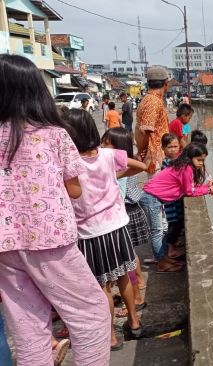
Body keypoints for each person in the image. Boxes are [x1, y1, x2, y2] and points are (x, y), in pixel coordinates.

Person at [0, 54, 110, 365]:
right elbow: (75, 189)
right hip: (49, 238)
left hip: (5, 245)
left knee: (28, 327)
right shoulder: (53, 135)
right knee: (91, 314)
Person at [64, 109, 147, 351]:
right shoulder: (107, 156)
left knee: (102, 287)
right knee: (124, 277)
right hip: (117, 226)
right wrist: (115, 174)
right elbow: (141, 165)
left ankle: (110, 334)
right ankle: (134, 322)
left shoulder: (70, 163)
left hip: (90, 233)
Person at [100, 128, 149, 317]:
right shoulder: (119, 166)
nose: (102, 147)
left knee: (125, 261)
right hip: (124, 213)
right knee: (128, 257)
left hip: (121, 216)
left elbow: (119, 195)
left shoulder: (118, 168)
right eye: (102, 143)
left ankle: (136, 294)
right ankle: (137, 285)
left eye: (106, 144)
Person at [135, 66, 172, 270]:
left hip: (155, 159)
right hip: (154, 161)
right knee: (158, 216)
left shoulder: (149, 100)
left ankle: (164, 255)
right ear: (165, 84)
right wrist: (145, 155)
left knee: (162, 215)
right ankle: (162, 259)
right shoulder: (152, 101)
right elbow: (143, 131)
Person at [143, 143, 213, 206]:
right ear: (190, 157)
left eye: (203, 160)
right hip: (152, 198)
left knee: (162, 225)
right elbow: (189, 191)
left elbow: (189, 186)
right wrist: (209, 189)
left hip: (153, 197)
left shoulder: (183, 165)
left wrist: (207, 187)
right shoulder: (186, 168)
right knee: (158, 225)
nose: (201, 163)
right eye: (199, 160)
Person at [160, 134, 186, 269]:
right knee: (174, 223)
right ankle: (170, 249)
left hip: (177, 199)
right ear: (163, 148)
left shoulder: (178, 161)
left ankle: (173, 246)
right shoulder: (166, 163)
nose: (173, 150)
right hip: (171, 201)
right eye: (169, 147)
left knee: (179, 222)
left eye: (175, 146)